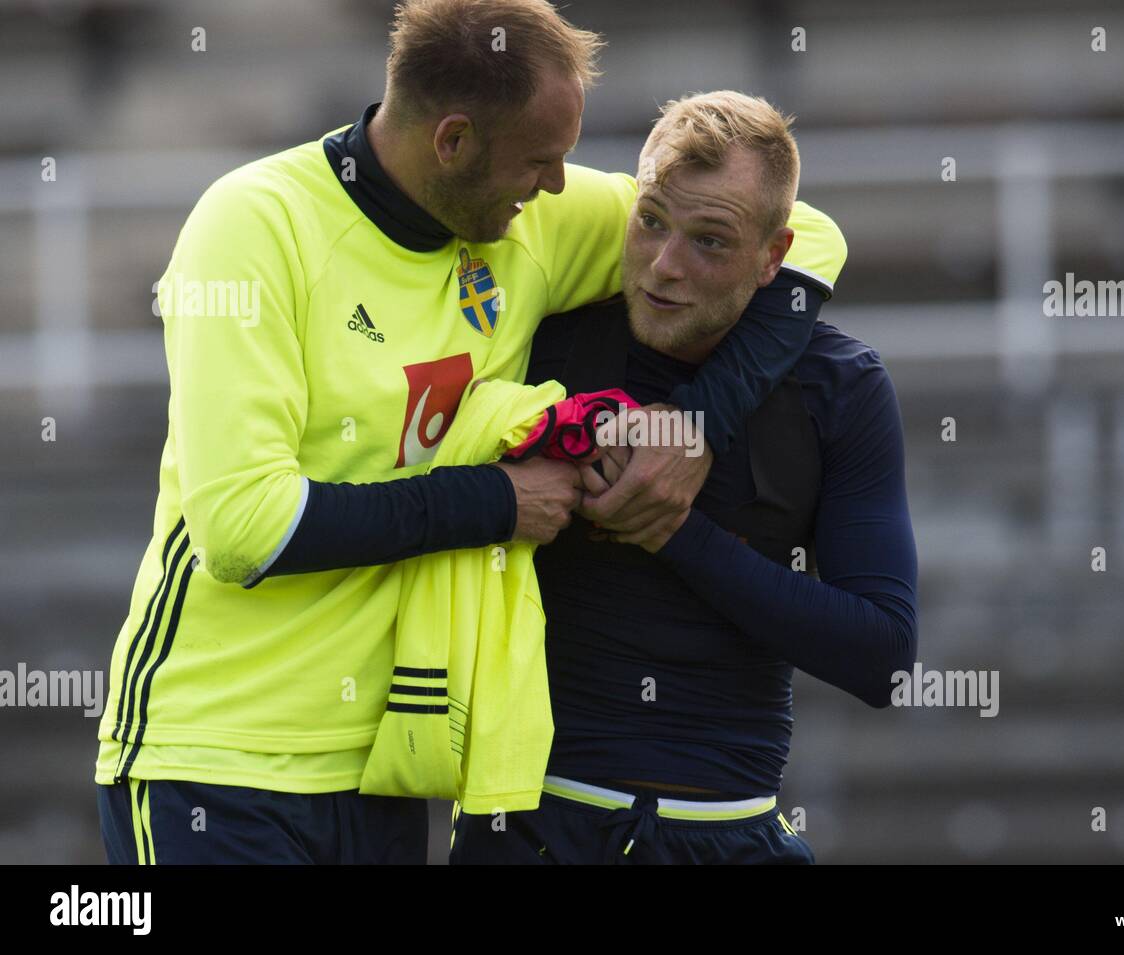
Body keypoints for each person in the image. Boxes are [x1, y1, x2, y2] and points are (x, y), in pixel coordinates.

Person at [95, 0, 845, 864]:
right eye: (541, 160)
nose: (560, 185)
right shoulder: (254, 227)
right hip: (216, 762)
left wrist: (697, 422)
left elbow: (806, 238)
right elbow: (245, 530)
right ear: (451, 143)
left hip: (386, 770)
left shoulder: (526, 219)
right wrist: (495, 501)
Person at [449, 91, 918, 865]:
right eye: (653, 221)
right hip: (529, 828)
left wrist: (676, 533)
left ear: (775, 258)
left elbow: (884, 657)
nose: (665, 267)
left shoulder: (841, 384)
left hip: (736, 831)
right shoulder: (541, 340)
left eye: (710, 241)